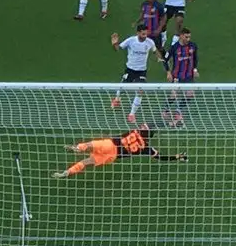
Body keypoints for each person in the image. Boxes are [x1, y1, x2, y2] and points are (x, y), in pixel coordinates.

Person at [51, 124, 188, 179]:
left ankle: (76, 148)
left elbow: (143, 126)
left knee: (89, 145)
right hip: (113, 156)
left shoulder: (135, 131)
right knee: (87, 162)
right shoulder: (146, 148)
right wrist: (176, 157)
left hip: (110, 144)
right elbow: (160, 157)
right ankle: (67, 172)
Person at [110, 24, 162, 122]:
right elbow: (118, 48)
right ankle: (116, 99)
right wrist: (114, 43)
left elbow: (155, 51)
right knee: (123, 87)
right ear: (138, 33)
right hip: (130, 69)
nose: (145, 36)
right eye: (143, 34)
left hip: (142, 71)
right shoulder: (130, 41)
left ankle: (132, 114)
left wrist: (159, 58)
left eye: (146, 34)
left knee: (140, 91)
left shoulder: (150, 42)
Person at [164, 28, 199, 125]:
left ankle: (178, 110)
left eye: (189, 37)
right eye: (186, 37)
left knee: (191, 93)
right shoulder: (174, 47)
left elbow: (195, 58)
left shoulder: (193, 46)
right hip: (177, 76)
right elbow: (165, 60)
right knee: (174, 95)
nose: (188, 39)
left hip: (189, 75)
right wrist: (168, 72)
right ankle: (166, 109)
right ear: (181, 36)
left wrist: (195, 69)